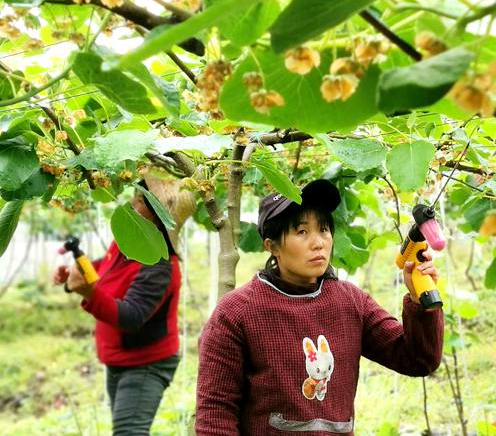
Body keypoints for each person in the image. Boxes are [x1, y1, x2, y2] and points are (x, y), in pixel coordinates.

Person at [196, 179, 444, 435]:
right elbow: (216, 413)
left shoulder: (350, 302)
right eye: (302, 232)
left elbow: (417, 360)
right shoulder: (237, 312)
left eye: (324, 229)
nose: (318, 243)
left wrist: (419, 302)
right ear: (272, 246)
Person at [53, 173, 195, 435]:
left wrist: (89, 293)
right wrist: (76, 275)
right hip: (119, 359)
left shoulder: (159, 266)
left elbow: (132, 315)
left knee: (128, 432)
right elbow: (107, 269)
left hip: (146, 364)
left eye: (140, 200)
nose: (131, 203)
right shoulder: (128, 243)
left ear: (156, 217)